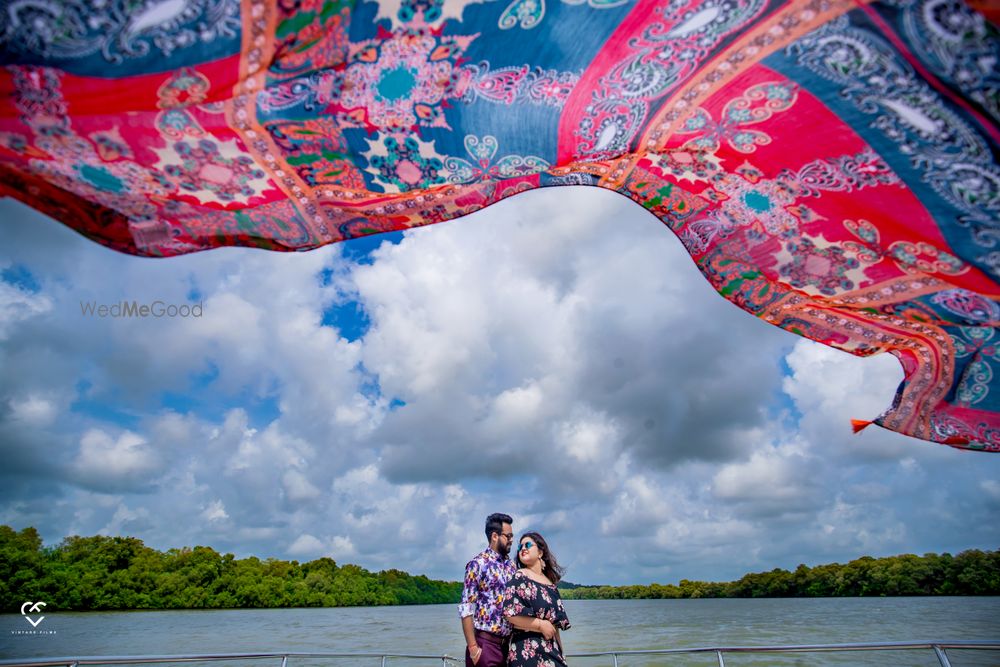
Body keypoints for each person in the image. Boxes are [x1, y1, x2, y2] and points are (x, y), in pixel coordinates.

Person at [503, 532, 571, 667]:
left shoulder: (551, 585)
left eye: (527, 544)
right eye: (520, 547)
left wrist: (562, 654)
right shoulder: (519, 576)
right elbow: (510, 615)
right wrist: (541, 625)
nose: (523, 548)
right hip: (526, 651)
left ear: (540, 552)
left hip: (552, 651)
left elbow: (555, 626)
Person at [459, 513, 517, 667]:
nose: (511, 539)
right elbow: (466, 608)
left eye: (512, 536)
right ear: (494, 536)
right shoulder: (477, 564)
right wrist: (473, 649)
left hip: (508, 646)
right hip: (485, 645)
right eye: (508, 536)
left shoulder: (512, 566)